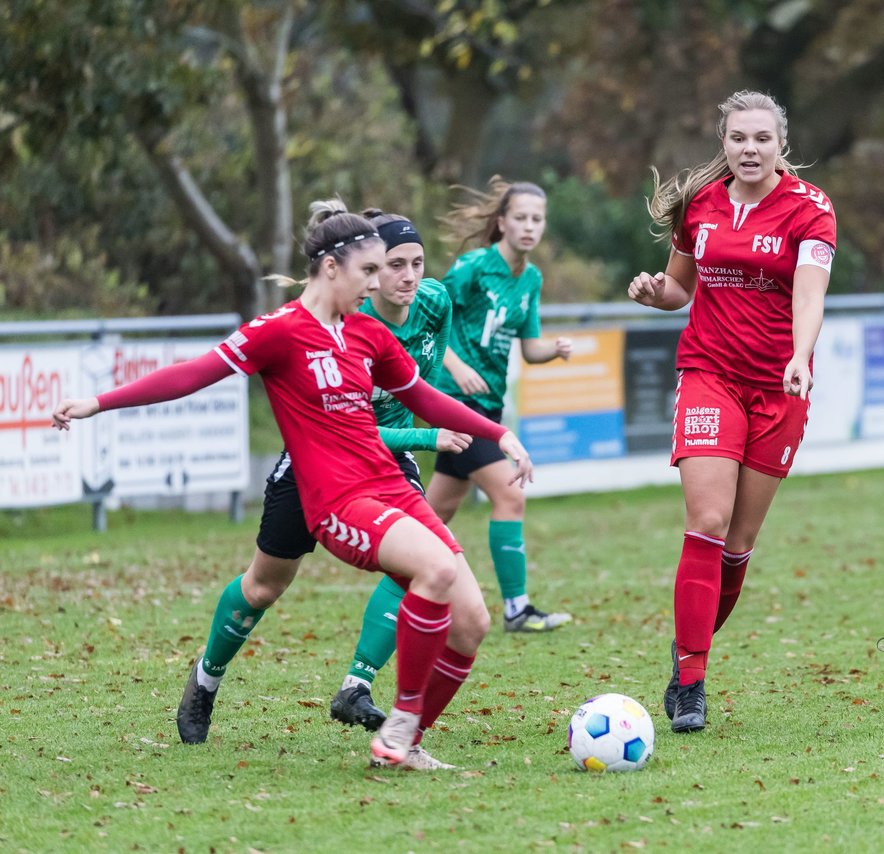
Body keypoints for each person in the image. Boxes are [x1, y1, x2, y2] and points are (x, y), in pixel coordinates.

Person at [51, 200, 534, 770]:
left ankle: (404, 742)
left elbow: (422, 398)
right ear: (332, 266)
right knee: (364, 577)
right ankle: (379, 729)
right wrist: (98, 403)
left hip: (391, 483)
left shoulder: (367, 334)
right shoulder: (279, 331)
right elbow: (192, 375)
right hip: (333, 498)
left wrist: (495, 432)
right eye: (371, 271)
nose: (380, 282)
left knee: (473, 622)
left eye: (392, 269)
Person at [627, 90, 836, 733]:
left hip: (780, 387)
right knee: (708, 521)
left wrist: (801, 355)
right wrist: (652, 292)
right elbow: (680, 288)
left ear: (781, 145)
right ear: (724, 142)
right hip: (708, 376)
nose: (750, 149)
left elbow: (809, 295)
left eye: (762, 139)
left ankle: (687, 646)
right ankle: (692, 683)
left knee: (738, 546)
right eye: (739, 138)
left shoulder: (811, 209)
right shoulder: (701, 205)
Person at [425, 178, 573, 633]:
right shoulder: (472, 267)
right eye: (521, 217)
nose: (530, 226)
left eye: (538, 219)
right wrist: (455, 363)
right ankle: (517, 609)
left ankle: (402, 577)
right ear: (501, 222)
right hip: (454, 401)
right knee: (509, 494)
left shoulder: (530, 279)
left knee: (435, 515)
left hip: (487, 404)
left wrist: (555, 349)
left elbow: (528, 349)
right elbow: (426, 322)